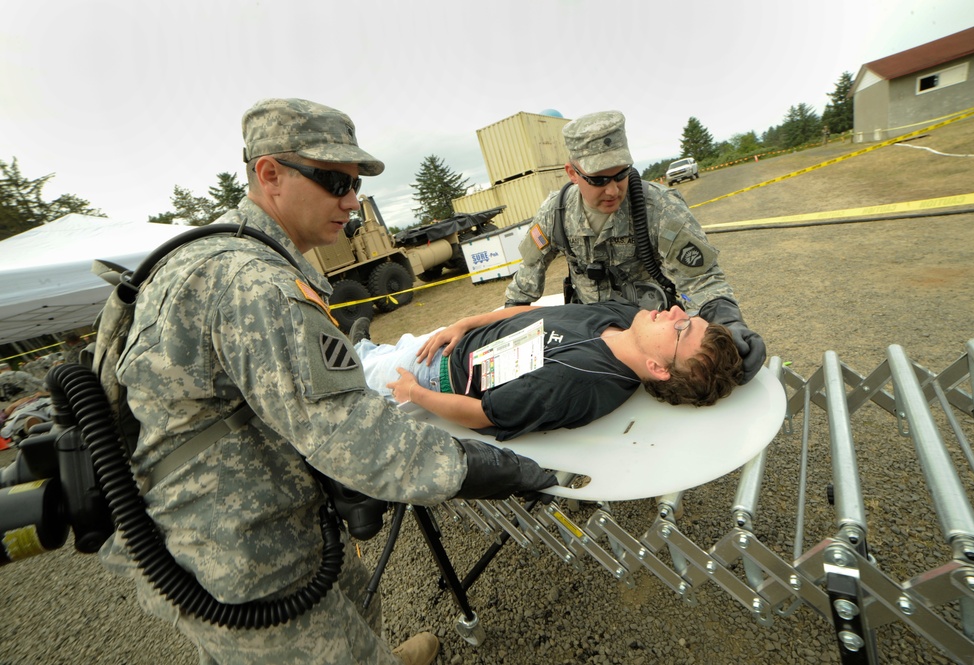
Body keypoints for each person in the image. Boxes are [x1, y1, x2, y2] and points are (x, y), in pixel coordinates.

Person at [99, 98, 556, 665]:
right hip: (244, 560)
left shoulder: (221, 255)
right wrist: (488, 467)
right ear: (270, 175)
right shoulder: (255, 284)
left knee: (353, 603)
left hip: (278, 514)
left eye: (356, 182)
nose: (352, 200)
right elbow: (357, 440)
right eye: (335, 180)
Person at [504, 110, 767, 383]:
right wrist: (504, 326)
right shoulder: (554, 213)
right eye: (598, 180)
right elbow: (527, 279)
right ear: (572, 173)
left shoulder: (659, 208)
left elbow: (701, 278)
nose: (613, 190)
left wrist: (729, 322)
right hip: (589, 334)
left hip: (651, 340)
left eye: (621, 175)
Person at [352, 298, 743, 441]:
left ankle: (355, 347)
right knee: (396, 343)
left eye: (681, 327)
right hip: (450, 338)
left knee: (359, 367)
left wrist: (413, 394)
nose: (675, 311)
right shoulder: (625, 319)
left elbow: (483, 415)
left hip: (429, 374)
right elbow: (534, 312)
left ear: (658, 368)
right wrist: (464, 324)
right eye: (687, 315)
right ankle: (367, 343)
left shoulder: (573, 386)